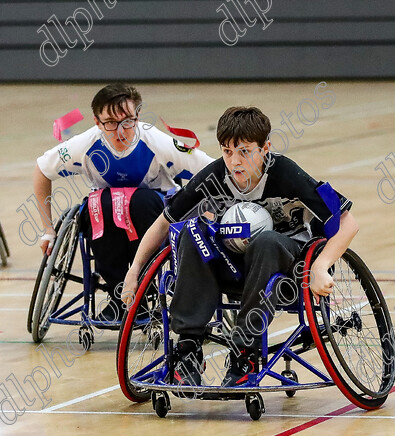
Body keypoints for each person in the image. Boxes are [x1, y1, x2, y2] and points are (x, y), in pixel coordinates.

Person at [122, 106, 358, 388]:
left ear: (265, 148)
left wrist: (320, 266)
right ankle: (187, 350)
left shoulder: (286, 173)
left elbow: (349, 222)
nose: (235, 161)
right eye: (227, 151)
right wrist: (135, 269)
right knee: (191, 231)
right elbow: (164, 222)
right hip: (234, 270)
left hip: (287, 271)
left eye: (245, 151)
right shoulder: (214, 176)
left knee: (267, 241)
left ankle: (244, 352)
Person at [34, 83, 214, 321]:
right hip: (106, 214)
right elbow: (42, 170)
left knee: (140, 201)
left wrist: (212, 215)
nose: (120, 131)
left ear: (137, 117)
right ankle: (117, 293)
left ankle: (144, 290)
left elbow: (211, 171)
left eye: (127, 121)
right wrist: (48, 229)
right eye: (110, 122)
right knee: (99, 204)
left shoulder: (156, 142)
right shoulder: (85, 144)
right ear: (97, 122)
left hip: (154, 211)